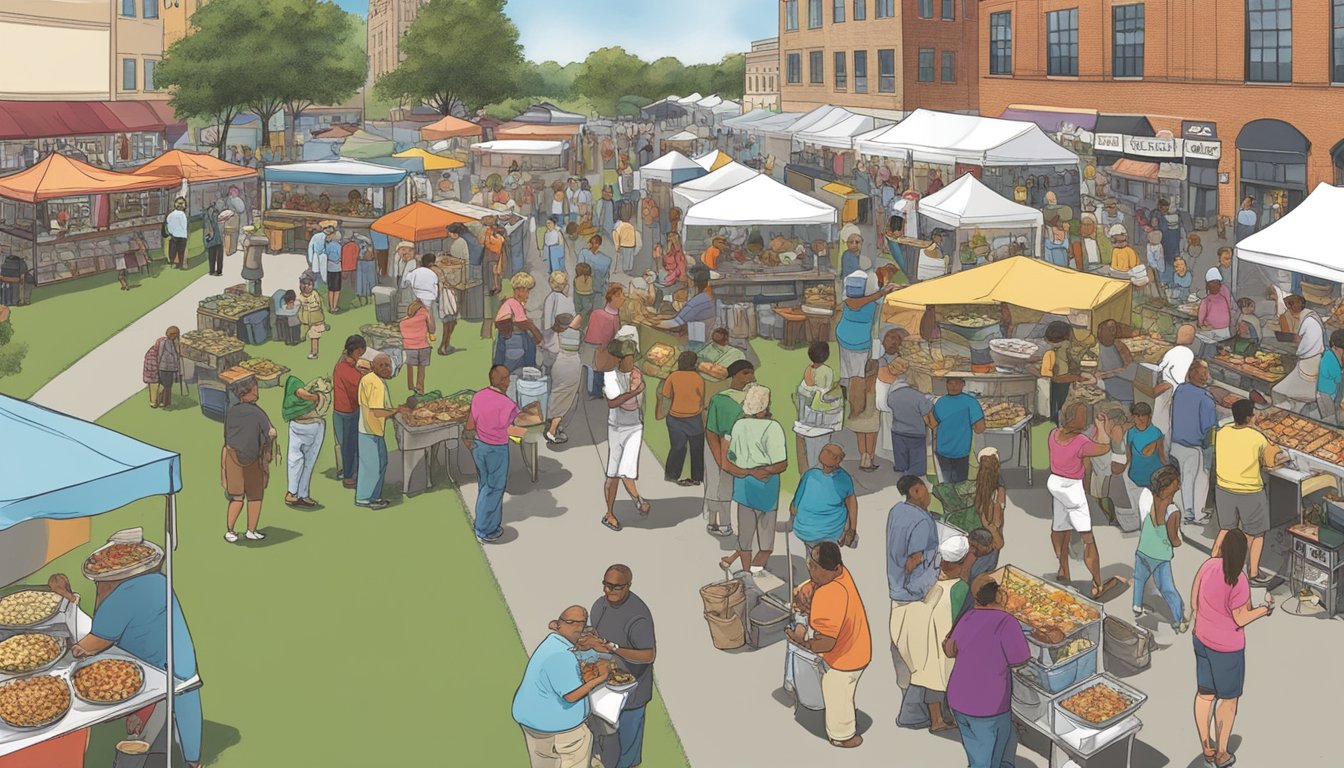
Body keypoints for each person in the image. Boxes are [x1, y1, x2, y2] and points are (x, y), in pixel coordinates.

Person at [50, 564, 203, 768]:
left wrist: (64, 649)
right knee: (172, 713)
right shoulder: (158, 582)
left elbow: (90, 645)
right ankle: (187, 757)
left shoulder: (123, 597)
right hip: (165, 662)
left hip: (164, 672)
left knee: (159, 720)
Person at [1191, 529, 1274, 768]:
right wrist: (1264, 609)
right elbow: (1240, 618)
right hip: (1227, 649)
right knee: (1228, 700)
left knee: (1205, 694)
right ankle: (1222, 753)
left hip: (1201, 639)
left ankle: (1207, 747)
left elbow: (1194, 600)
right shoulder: (1239, 580)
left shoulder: (1208, 566)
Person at [785, 542, 871, 749]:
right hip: (858, 645)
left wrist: (800, 641)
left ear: (830, 568)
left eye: (814, 566)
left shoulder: (830, 593)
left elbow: (826, 643)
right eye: (810, 564)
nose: (810, 569)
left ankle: (842, 736)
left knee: (836, 692)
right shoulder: (841, 574)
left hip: (844, 658)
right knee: (843, 692)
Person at [943, 576, 1030, 768]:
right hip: (988, 705)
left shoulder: (967, 617)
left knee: (979, 750)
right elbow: (1020, 658)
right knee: (988, 756)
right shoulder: (1006, 622)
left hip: (958, 699)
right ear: (999, 595)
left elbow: (950, 649)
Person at [576, 566, 658, 768]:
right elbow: (597, 634)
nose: (608, 591)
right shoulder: (599, 606)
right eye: (606, 585)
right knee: (602, 738)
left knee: (627, 750)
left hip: (631, 693)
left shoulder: (638, 617)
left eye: (615, 587)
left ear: (628, 586)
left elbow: (649, 655)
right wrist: (590, 641)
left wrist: (614, 648)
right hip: (603, 686)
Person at [512, 605, 607, 768]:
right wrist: (600, 679)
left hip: (534, 725)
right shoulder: (561, 655)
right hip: (560, 730)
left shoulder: (553, 643)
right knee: (578, 750)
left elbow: (579, 655)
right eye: (578, 625)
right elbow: (571, 696)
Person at [887, 475, 942, 730]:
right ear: (915, 490)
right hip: (916, 594)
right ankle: (912, 713)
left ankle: (909, 702)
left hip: (897, 591)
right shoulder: (922, 521)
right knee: (921, 655)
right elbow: (914, 559)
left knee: (900, 646)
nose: (928, 493)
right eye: (924, 489)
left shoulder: (897, 512)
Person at [719, 384, 788, 574]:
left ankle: (747, 572)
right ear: (765, 406)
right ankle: (756, 571)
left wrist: (747, 471)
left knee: (745, 537)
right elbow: (781, 464)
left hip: (744, 486)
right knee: (766, 542)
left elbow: (728, 461)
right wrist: (762, 470)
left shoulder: (739, 426)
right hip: (767, 487)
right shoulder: (773, 427)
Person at [1212, 399, 1282, 586]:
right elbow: (1270, 463)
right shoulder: (1257, 437)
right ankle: (1252, 573)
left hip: (1224, 488)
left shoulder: (1223, 432)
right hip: (1249, 491)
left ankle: (1212, 564)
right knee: (1255, 534)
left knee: (1226, 529)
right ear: (1250, 417)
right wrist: (1274, 448)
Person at [1047, 401, 1112, 598]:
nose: (1085, 419)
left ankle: (1062, 567)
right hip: (1072, 489)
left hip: (1055, 484)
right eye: (1083, 415)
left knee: (1060, 528)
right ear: (1074, 418)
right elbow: (1104, 447)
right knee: (1087, 538)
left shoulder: (1053, 434)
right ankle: (1097, 582)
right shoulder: (1081, 442)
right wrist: (1101, 427)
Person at [466, 365, 527, 542]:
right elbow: (516, 424)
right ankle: (485, 529)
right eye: (505, 378)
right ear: (496, 380)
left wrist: (469, 441)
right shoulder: (507, 404)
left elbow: (470, 423)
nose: (507, 382)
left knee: (484, 486)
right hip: (496, 449)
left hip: (479, 446)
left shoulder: (478, 396)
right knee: (494, 488)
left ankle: (482, 521)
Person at [601, 339, 652, 531]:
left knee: (628, 469)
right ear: (618, 359)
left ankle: (637, 499)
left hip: (635, 425)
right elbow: (614, 402)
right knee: (613, 473)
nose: (631, 362)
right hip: (616, 427)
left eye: (632, 358)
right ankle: (609, 513)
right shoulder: (610, 376)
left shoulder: (637, 373)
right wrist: (635, 391)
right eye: (627, 358)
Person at [704, 360, 756, 537]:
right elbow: (711, 429)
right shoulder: (720, 399)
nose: (750, 377)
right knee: (714, 482)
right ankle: (714, 521)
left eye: (751, 373)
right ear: (734, 375)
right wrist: (718, 456)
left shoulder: (754, 399)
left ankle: (725, 522)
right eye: (745, 373)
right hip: (716, 445)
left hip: (738, 448)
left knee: (728, 486)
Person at [1133, 465, 1187, 630]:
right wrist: (1178, 542)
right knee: (1167, 588)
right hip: (1160, 556)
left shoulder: (1148, 497)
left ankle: (1136, 605)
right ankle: (1178, 620)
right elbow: (1173, 538)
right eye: (1177, 481)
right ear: (1169, 486)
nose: (1179, 483)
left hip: (1143, 548)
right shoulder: (1173, 511)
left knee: (1139, 578)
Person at [222, 377, 274, 542]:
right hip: (252, 459)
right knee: (255, 496)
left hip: (232, 456)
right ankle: (251, 530)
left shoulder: (232, 412)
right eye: (254, 388)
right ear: (246, 392)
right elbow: (270, 432)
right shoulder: (257, 412)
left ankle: (230, 530)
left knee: (236, 496)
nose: (257, 391)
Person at [355, 354, 408, 510]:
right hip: (370, 431)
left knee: (380, 462)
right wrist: (396, 411)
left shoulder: (373, 380)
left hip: (370, 429)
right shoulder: (375, 383)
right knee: (373, 466)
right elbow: (378, 411)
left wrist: (395, 410)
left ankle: (374, 496)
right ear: (373, 366)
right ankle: (365, 498)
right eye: (382, 365)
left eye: (388, 365)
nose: (386, 368)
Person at [1171, 360, 1219, 526]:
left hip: (1175, 443)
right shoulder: (1206, 400)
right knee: (1200, 479)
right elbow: (1209, 428)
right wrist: (1208, 447)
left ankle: (1188, 512)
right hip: (1193, 446)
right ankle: (1196, 514)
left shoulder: (1180, 390)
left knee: (1185, 479)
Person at [788, 444, 858, 549]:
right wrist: (852, 530)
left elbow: (793, 508)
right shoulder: (845, 479)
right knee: (846, 507)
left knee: (814, 552)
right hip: (832, 531)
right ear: (839, 461)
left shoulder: (809, 475)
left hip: (804, 530)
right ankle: (846, 536)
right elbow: (852, 506)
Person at [837, 273, 894, 392]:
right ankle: (854, 396)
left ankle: (845, 389)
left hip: (843, 335)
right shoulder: (871, 302)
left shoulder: (850, 299)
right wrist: (882, 293)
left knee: (845, 368)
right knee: (857, 373)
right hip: (859, 341)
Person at [658, 350, 705, 486]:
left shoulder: (673, 376)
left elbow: (666, 394)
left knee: (677, 447)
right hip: (694, 418)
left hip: (675, 417)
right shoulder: (698, 378)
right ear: (694, 364)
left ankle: (671, 476)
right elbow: (701, 397)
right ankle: (697, 477)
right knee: (697, 449)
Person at [1273, 294, 1326, 412]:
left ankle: (1293, 409)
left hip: (1309, 361)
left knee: (1280, 391)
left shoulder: (1308, 320)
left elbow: (1301, 340)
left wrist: (1298, 350)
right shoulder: (1309, 316)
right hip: (1311, 358)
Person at [930, 377, 985, 483]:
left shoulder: (941, 402)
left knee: (946, 484)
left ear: (963, 384)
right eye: (950, 383)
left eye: (956, 383)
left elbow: (933, 424)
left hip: (949, 451)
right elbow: (980, 428)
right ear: (946, 385)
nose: (953, 386)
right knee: (960, 485)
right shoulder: (971, 402)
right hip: (955, 451)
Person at [887, 360, 935, 477]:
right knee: (917, 455)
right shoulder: (919, 397)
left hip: (898, 431)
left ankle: (900, 467)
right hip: (916, 432)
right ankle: (916, 472)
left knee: (900, 453)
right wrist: (934, 427)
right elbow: (927, 418)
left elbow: (890, 407)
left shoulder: (892, 396)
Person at [1154, 324, 1196, 451]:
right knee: (1168, 426)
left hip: (1165, 392)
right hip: (1173, 393)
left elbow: (1161, 367)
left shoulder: (1172, 351)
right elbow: (1181, 379)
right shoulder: (1187, 353)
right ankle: (1165, 454)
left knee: (1161, 424)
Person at [332, 335, 366, 489]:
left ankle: (349, 472)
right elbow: (358, 388)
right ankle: (348, 477)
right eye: (361, 352)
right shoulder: (347, 370)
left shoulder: (342, 366)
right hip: (348, 412)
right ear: (356, 351)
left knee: (347, 444)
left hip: (342, 411)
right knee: (349, 446)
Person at [543, 313, 584, 445]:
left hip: (557, 367)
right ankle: (552, 431)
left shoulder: (549, 334)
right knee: (566, 399)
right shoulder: (571, 334)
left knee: (558, 396)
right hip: (570, 368)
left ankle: (552, 425)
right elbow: (579, 317)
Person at [1123, 400, 1167, 519]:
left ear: (1149, 417)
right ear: (1133, 417)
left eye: (1144, 415)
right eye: (1137, 415)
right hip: (1136, 474)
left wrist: (1166, 468)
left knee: (1155, 502)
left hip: (1154, 473)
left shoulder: (1156, 432)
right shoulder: (1130, 433)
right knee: (1140, 504)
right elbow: (1128, 455)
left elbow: (1161, 453)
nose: (1141, 418)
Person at [495, 272, 542, 373]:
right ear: (519, 290)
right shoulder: (514, 303)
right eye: (526, 291)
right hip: (513, 340)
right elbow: (524, 323)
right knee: (513, 366)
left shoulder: (511, 302)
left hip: (506, 337)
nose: (528, 295)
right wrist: (538, 337)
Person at [1040, 321, 1084, 422]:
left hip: (1062, 384)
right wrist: (1077, 377)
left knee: (1059, 410)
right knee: (1060, 409)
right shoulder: (1061, 349)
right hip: (1061, 384)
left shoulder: (1058, 349)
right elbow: (1057, 377)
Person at [848, 360, 882, 472]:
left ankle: (863, 457)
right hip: (871, 416)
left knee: (861, 436)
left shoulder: (855, 381)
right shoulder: (875, 383)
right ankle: (870, 459)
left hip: (857, 416)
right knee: (871, 436)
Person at [1095, 319, 1136, 407]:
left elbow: (1129, 366)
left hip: (1122, 386)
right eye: (1109, 329)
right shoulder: (1094, 347)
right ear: (1100, 331)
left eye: (1114, 328)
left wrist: (1112, 373)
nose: (1112, 332)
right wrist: (1113, 373)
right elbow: (1094, 374)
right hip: (1103, 386)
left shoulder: (1119, 344)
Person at [399, 298, 435, 395]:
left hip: (409, 347)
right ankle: (420, 388)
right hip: (423, 346)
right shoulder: (425, 312)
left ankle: (410, 386)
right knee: (421, 369)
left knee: (409, 366)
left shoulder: (403, 322)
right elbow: (432, 329)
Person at [540, 271, 575, 369]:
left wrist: (544, 341)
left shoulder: (550, 299)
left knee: (549, 365)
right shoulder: (568, 300)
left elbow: (547, 323)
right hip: (567, 340)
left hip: (553, 340)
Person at [974, 446, 1006, 550]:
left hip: (993, 511)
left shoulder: (998, 482)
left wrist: (992, 526)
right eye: (984, 460)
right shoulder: (980, 479)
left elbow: (1000, 501)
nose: (986, 462)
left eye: (989, 460)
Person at [143, 326, 181, 409]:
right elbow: (159, 354)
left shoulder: (172, 342)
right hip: (164, 367)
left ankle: (164, 401)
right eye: (176, 334)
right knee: (165, 385)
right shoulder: (164, 342)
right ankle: (161, 402)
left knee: (167, 385)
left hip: (169, 367)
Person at [1198, 268, 1236, 348]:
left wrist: (1201, 324)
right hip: (1225, 329)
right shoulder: (1224, 295)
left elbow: (1201, 317)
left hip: (1212, 330)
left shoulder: (1207, 300)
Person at [797, 341, 837, 410]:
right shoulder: (828, 370)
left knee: (803, 410)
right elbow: (827, 387)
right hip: (818, 396)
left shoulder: (809, 368)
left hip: (804, 392)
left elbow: (808, 383)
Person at [578, 234, 614, 310]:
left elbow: (579, 270)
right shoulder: (607, 260)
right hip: (596, 289)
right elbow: (606, 279)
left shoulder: (584, 253)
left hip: (588, 288)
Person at [1317, 329, 1344, 425]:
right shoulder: (1330, 358)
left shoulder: (1331, 353)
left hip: (1330, 391)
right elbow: (1338, 378)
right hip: (1325, 394)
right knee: (1330, 417)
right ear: (1334, 346)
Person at [296, 277, 325, 360]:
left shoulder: (315, 294)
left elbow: (319, 304)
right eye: (304, 284)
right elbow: (297, 304)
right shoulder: (300, 296)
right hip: (305, 321)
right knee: (303, 335)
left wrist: (313, 306)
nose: (307, 287)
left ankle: (314, 352)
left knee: (314, 337)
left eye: (309, 285)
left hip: (316, 320)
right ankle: (303, 337)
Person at [613, 204, 640, 275]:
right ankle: (627, 269)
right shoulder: (628, 226)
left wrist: (617, 246)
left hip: (626, 245)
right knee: (628, 258)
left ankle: (627, 269)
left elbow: (615, 235)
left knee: (627, 258)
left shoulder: (621, 226)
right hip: (628, 245)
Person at [324, 230, 345, 312]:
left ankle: (330, 306)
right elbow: (341, 257)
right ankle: (334, 307)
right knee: (337, 289)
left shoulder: (328, 245)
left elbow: (326, 254)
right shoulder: (339, 246)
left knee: (330, 289)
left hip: (329, 268)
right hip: (337, 268)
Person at [165, 197, 189, 269]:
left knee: (173, 250)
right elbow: (184, 225)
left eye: (182, 203)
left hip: (174, 235)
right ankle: (182, 264)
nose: (181, 205)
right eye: (180, 203)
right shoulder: (182, 214)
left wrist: (171, 232)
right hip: (182, 236)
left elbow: (169, 225)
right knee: (181, 250)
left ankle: (175, 263)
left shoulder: (171, 214)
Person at [202, 201, 224, 276]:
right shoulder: (211, 213)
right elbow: (210, 225)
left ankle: (213, 271)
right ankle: (218, 271)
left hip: (213, 237)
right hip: (214, 237)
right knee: (218, 254)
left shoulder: (208, 213)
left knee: (212, 254)